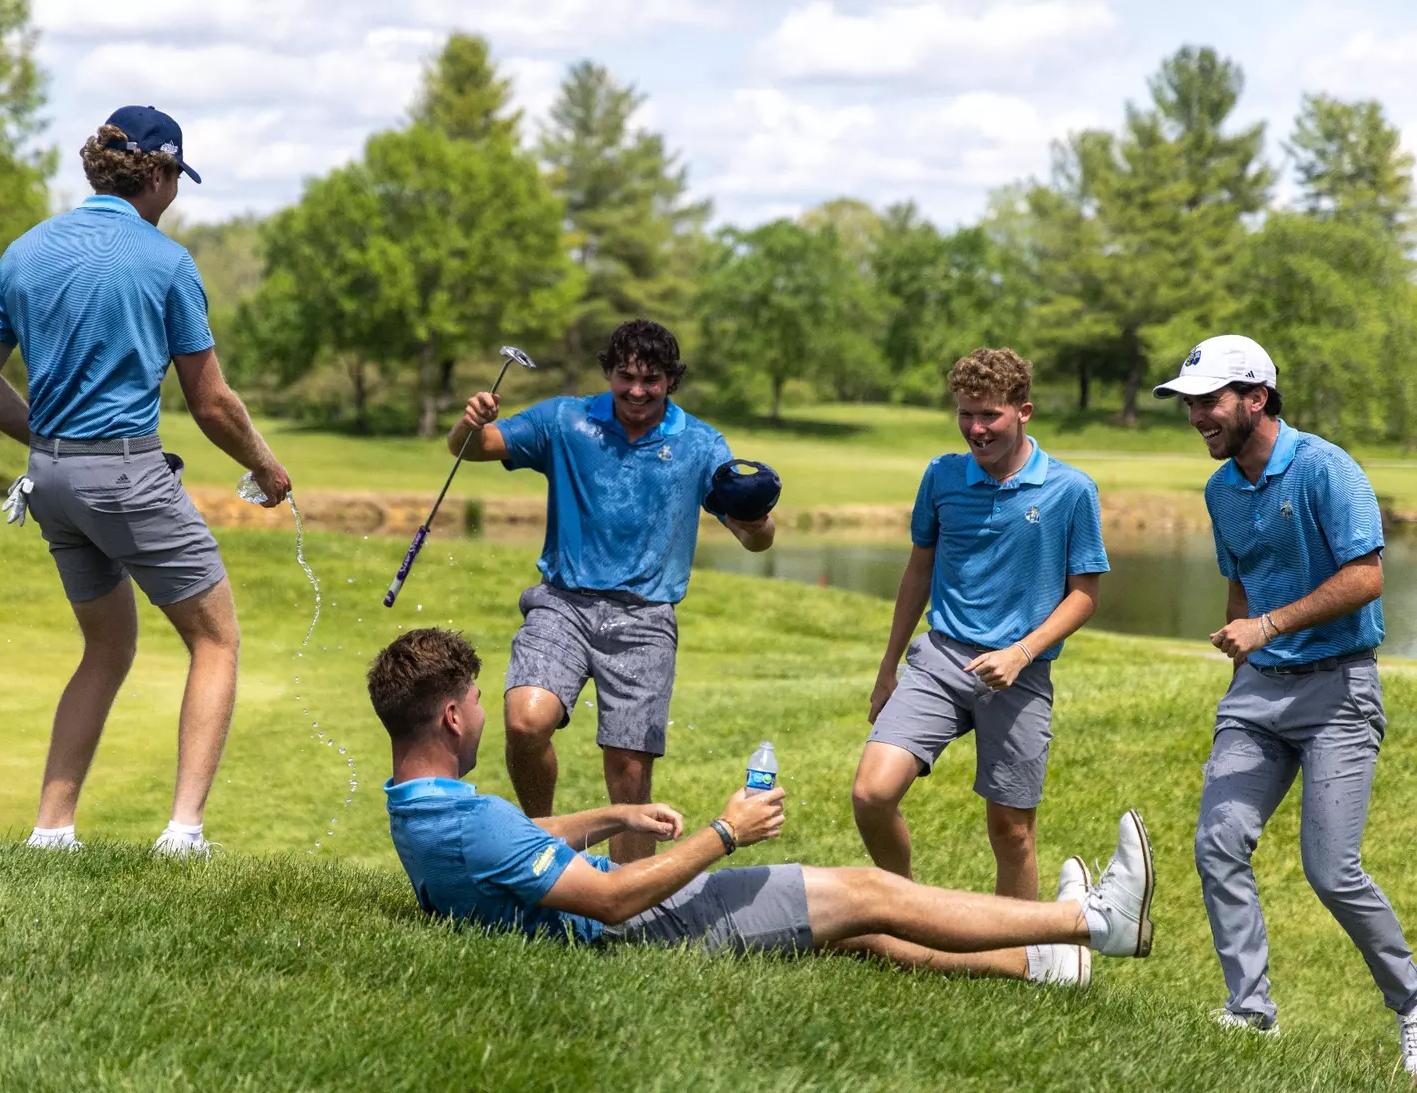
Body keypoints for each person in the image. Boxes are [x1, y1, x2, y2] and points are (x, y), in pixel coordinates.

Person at [367, 628, 1156, 987]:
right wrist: (724, 831)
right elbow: (609, 902)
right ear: (449, 718)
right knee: (865, 891)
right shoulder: (465, 821)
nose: (480, 712)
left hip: (618, 925)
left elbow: (516, 842)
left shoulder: (419, 809)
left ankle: (1040, 965)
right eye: (474, 701)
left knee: (861, 936)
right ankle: (1094, 923)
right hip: (642, 935)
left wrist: (611, 819)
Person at [0, 105, 291, 856]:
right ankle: (183, 832)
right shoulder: (166, 262)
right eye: (176, 176)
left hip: (49, 479)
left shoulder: (25, 250)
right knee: (216, 641)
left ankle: (52, 829)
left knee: (106, 647)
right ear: (159, 173)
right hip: (128, 476)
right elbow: (212, 402)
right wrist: (264, 466)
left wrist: (44, 439)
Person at [1154, 335, 1417, 1070]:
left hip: (1338, 690)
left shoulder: (1326, 468)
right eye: (1190, 403)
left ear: (1256, 398)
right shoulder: (1220, 490)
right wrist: (1246, 648)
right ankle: (1251, 1010)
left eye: (1209, 400)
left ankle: (1413, 1005)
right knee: (1217, 842)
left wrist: (1266, 625)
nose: (1198, 415)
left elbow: (1365, 578)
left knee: (1332, 871)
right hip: (1259, 691)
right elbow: (1244, 579)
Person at [449, 319, 774, 864]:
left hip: (646, 618)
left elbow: (755, 539)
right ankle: (540, 844)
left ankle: (630, 903)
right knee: (526, 721)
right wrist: (468, 422)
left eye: (652, 379)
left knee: (629, 775)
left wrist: (755, 514)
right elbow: (473, 448)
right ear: (608, 373)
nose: (637, 391)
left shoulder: (699, 444)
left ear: (672, 380)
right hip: (563, 602)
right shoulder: (565, 420)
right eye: (626, 377)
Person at [852, 348, 1109, 899]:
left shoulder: (1070, 490)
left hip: (1021, 673)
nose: (975, 427)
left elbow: (1084, 596)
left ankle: (1021, 955)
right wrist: (888, 667)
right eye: (966, 414)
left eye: (989, 414)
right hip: (939, 659)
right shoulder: (942, 477)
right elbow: (918, 569)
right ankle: (908, 910)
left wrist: (1022, 652)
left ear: (1024, 411)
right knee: (871, 794)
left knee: (1011, 832)